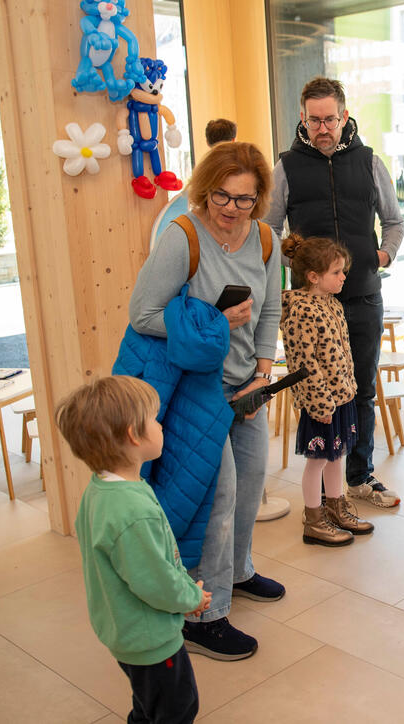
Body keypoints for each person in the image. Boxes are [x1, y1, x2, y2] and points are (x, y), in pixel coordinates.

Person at [130, 141, 284, 662]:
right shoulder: (183, 236)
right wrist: (214, 321)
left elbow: (269, 313)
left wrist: (263, 371)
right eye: (221, 195)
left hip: (247, 385)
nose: (230, 209)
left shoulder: (266, 239)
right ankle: (202, 614)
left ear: (260, 196)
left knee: (250, 488)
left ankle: (236, 573)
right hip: (197, 391)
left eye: (244, 198)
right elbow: (144, 316)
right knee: (214, 500)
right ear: (205, 189)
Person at [263, 76, 404, 510]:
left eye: (330, 119)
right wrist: (300, 267)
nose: (322, 128)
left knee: (360, 390)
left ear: (344, 117)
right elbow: (267, 229)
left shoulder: (368, 162)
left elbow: (395, 222)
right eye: (314, 119)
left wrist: (381, 257)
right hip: (309, 308)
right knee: (319, 395)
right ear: (302, 118)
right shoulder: (286, 166)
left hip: (361, 296)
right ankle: (325, 491)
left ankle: (360, 478)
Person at [56, 376, 213, 724]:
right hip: (150, 638)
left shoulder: (101, 490)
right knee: (176, 708)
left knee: (148, 704)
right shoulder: (131, 510)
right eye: (154, 419)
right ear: (133, 435)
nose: (160, 426)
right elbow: (153, 580)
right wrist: (191, 598)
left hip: (124, 629)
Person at [280, 234, 374, 546]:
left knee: (338, 456)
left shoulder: (331, 303)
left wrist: (347, 388)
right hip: (320, 402)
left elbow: (341, 352)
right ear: (313, 277)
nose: (343, 277)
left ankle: (336, 508)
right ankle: (314, 519)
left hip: (341, 396)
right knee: (318, 460)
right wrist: (320, 401)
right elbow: (304, 362)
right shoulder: (301, 310)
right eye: (337, 272)